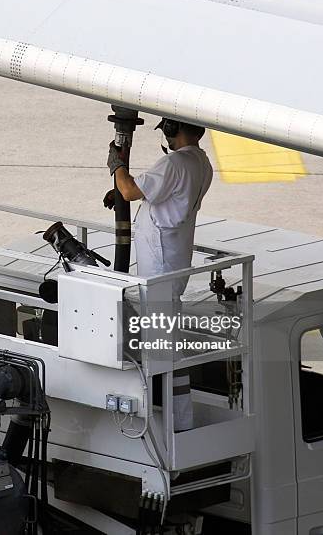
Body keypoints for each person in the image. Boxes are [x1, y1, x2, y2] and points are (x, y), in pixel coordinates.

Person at [105, 118, 213, 430]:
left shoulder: (175, 163)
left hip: (161, 264)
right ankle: (171, 414)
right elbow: (161, 195)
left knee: (163, 342)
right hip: (174, 259)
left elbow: (129, 190)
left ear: (171, 130)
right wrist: (125, 193)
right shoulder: (200, 162)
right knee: (161, 338)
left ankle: (177, 421)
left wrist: (116, 165)